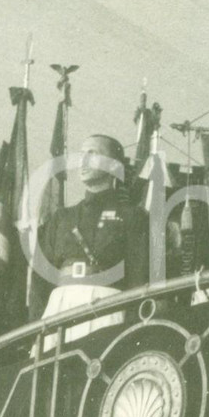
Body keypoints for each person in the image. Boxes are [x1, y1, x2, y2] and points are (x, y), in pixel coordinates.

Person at [33, 134, 150, 346]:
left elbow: (139, 277)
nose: (83, 160)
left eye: (93, 153)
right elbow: (41, 279)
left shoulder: (133, 216)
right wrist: (35, 326)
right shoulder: (62, 217)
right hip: (59, 308)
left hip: (107, 309)